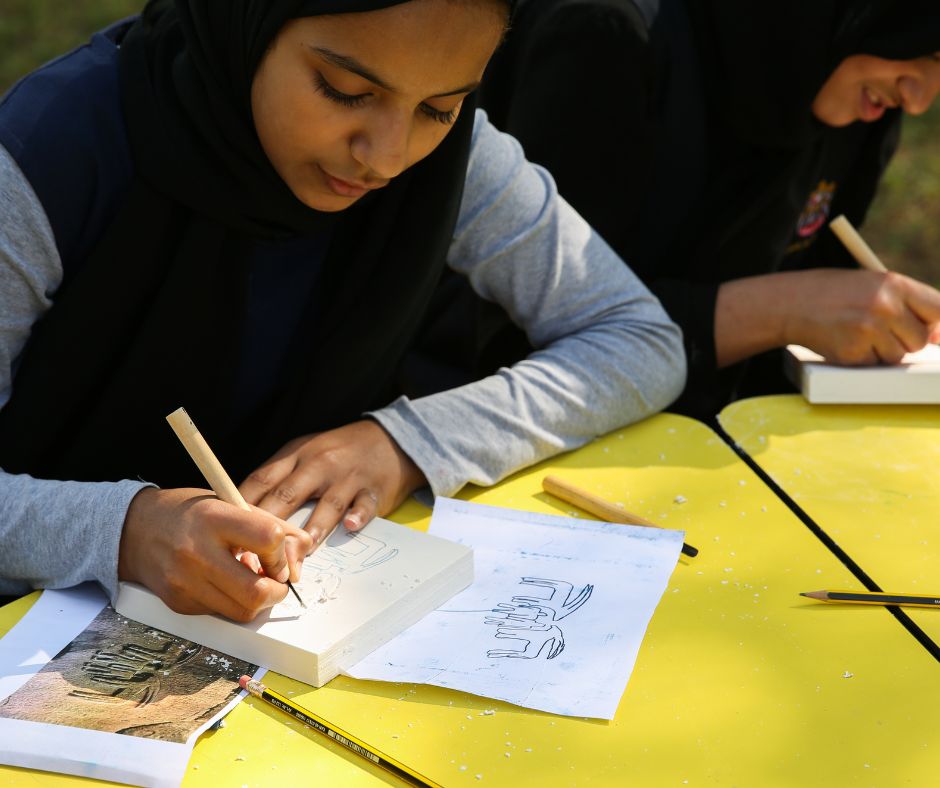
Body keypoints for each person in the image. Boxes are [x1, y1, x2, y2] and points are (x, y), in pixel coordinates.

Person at [0, 1, 685, 620]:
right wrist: (123, 531)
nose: (387, 158)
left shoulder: (454, 160)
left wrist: (405, 443)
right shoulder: (49, 153)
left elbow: (637, 338)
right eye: (345, 90)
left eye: (440, 107)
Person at [467, 0, 940, 419]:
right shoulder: (607, 34)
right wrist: (782, 312)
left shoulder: (860, 88)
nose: (919, 100)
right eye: (930, 52)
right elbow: (529, 332)